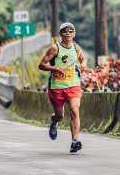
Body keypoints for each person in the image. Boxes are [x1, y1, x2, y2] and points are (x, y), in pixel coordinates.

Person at [39, 22, 87, 153]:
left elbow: (83, 59)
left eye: (71, 31)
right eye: (65, 31)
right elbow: (41, 65)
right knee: (60, 115)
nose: (68, 33)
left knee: (75, 110)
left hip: (73, 85)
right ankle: (54, 122)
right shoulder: (55, 49)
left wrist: (83, 64)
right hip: (57, 87)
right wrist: (56, 68)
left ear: (74, 34)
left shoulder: (76, 48)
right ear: (60, 34)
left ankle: (74, 142)